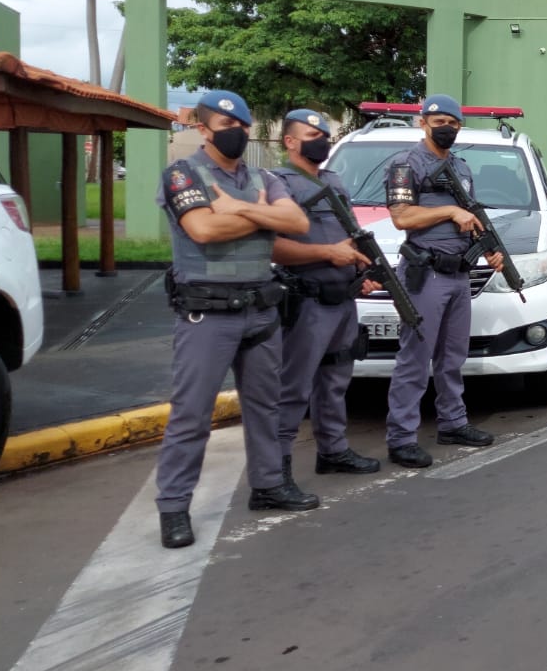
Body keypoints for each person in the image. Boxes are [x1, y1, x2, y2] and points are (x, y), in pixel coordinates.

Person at [153, 89, 314, 549]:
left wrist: (237, 207)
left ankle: (268, 485)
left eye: (242, 126)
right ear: (203, 130)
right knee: (191, 414)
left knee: (265, 406)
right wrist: (266, 216)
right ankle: (174, 507)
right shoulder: (183, 174)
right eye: (226, 127)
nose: (237, 134)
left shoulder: (260, 175)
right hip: (208, 314)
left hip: (260, 312)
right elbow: (203, 229)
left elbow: (297, 222)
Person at [383, 95, 505, 469]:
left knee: (453, 358)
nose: (447, 127)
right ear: (423, 122)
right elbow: (401, 217)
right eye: (440, 121)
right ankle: (401, 438)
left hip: (458, 275)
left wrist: (489, 249)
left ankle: (452, 422)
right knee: (415, 359)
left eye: (453, 122)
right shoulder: (406, 164)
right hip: (426, 274)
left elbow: (469, 216)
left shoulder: (462, 167)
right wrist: (449, 209)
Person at [269, 110, 382, 494]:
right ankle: (276, 471)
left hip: (341, 299)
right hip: (306, 302)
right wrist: (328, 254)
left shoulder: (333, 180)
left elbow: (348, 236)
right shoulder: (278, 184)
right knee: (293, 387)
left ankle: (333, 451)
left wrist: (359, 275)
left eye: (324, 133)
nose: (321, 138)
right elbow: (274, 247)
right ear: (290, 142)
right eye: (311, 134)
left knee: (336, 380)